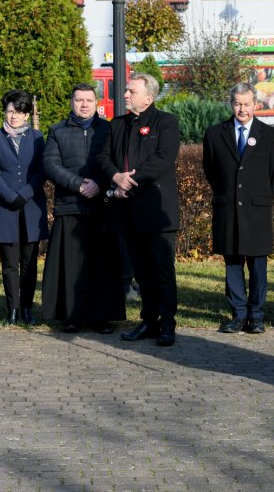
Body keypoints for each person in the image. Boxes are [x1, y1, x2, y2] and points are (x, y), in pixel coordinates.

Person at [97, 72, 180, 347]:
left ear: (149, 97)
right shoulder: (118, 124)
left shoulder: (166, 122)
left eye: (131, 91)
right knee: (142, 272)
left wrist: (129, 181)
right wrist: (115, 177)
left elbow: (163, 159)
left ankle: (167, 324)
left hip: (157, 212)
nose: (125, 95)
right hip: (128, 211)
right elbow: (104, 156)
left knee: (162, 271)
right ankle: (148, 320)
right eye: (126, 91)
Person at [42, 83, 125, 333]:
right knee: (71, 265)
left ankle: (102, 317)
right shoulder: (57, 131)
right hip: (70, 205)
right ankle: (71, 316)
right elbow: (50, 164)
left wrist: (99, 184)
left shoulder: (109, 129)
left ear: (96, 102)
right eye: (79, 100)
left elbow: (115, 161)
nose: (84, 104)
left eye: (89, 100)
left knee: (103, 264)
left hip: (102, 206)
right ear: (72, 102)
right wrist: (79, 185)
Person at [203, 82, 274, 334]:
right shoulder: (215, 134)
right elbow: (211, 170)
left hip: (256, 211)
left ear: (255, 105)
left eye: (247, 104)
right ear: (231, 104)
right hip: (228, 209)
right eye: (238, 104)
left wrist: (258, 197)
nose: (242, 109)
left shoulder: (271, 136)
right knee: (233, 263)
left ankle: (257, 316)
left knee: (258, 265)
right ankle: (238, 314)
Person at [0, 89, 49, 325]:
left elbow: (41, 171)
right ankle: (12, 309)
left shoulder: (36, 137)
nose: (13, 116)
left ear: (26, 114)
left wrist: (25, 194)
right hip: (5, 207)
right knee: (9, 263)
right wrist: (10, 196)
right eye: (10, 111)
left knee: (29, 262)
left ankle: (27, 308)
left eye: (19, 112)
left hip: (31, 207)